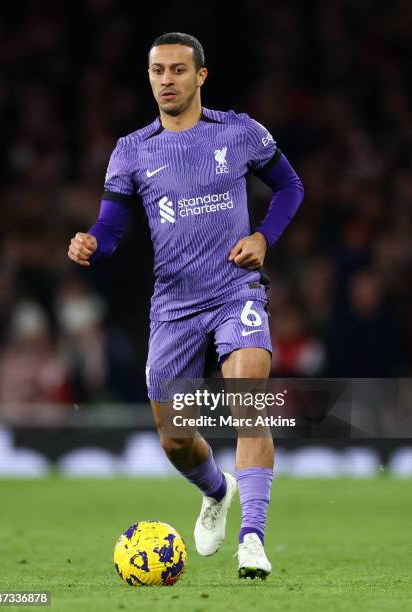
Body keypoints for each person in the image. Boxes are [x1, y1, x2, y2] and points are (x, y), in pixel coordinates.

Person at [68, 32, 304, 579]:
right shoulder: (132, 149)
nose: (166, 80)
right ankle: (216, 492)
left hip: (235, 290)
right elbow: (112, 224)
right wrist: (92, 243)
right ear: (148, 77)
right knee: (175, 437)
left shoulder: (240, 132)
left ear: (201, 76)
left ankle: (252, 540)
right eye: (157, 71)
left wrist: (265, 236)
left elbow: (290, 186)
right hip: (173, 305)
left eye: (177, 70)